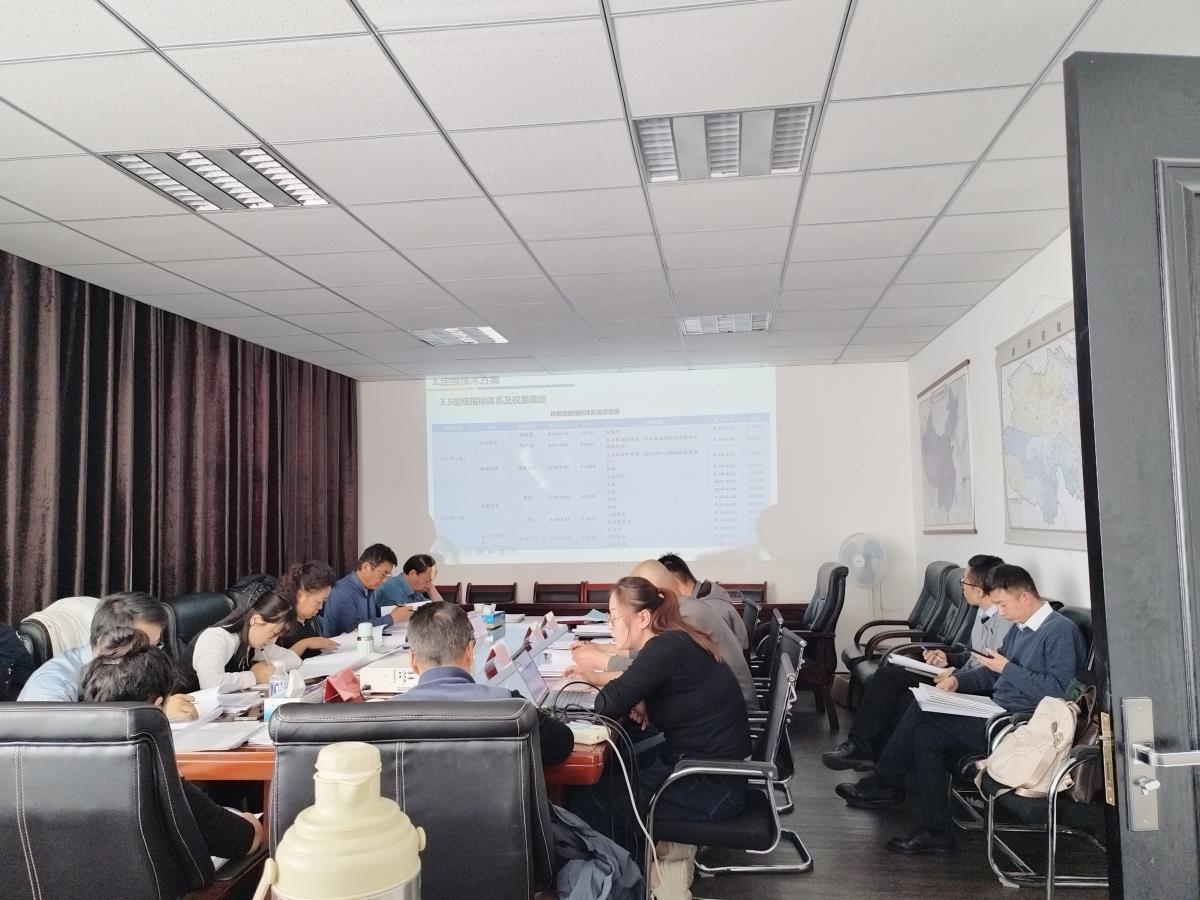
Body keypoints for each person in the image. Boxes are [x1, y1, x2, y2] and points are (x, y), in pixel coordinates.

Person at [836, 564, 1086, 857]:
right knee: (925, 729)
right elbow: (992, 672)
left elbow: (1058, 692)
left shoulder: (1060, 631)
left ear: (1025, 597)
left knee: (923, 720)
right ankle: (934, 829)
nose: (1001, 613)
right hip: (996, 709)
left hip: (1019, 725)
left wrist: (1006, 668)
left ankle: (886, 786)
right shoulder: (1022, 627)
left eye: (1003, 605)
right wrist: (957, 681)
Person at [566, 577, 751, 896]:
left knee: (591, 799)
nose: (610, 625)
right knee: (612, 774)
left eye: (614, 616)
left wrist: (633, 696)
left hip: (711, 785)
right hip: (708, 771)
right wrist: (645, 700)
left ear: (642, 618)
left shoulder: (663, 648)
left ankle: (622, 884)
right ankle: (638, 866)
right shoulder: (674, 639)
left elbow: (606, 703)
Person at [80, 627, 264, 861]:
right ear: (158, 705)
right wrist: (251, 822)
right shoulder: (155, 776)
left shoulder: (51, 767)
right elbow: (244, 840)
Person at [822, 554, 1009, 771]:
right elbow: (974, 657)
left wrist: (956, 676)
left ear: (979, 591)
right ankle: (861, 749)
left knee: (902, 695)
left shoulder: (1005, 621)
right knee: (888, 675)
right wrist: (946, 658)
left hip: (972, 687)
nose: (961, 587)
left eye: (964, 582)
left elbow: (992, 672)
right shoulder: (981, 612)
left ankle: (872, 757)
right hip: (957, 675)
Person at [397, 601, 574, 765]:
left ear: (412, 659)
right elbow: (561, 743)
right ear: (469, 651)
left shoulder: (386, 714)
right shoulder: (511, 705)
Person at [569, 560, 757, 710]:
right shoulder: (681, 610)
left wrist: (600, 666)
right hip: (711, 718)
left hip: (731, 720)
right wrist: (602, 650)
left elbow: (649, 668)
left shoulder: (686, 618)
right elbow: (651, 663)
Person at [18, 591, 196, 720]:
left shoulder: (128, 673)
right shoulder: (52, 685)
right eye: (141, 647)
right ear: (105, 640)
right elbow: (58, 741)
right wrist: (152, 715)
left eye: (155, 645)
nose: (150, 655)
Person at [186, 589, 299, 692]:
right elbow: (210, 684)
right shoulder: (216, 638)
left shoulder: (255, 644)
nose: (273, 641)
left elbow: (294, 659)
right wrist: (255, 676)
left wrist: (268, 667)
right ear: (256, 620)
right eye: (273, 634)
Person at [657, 552, 748, 650]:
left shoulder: (706, 610)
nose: (661, 596)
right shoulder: (708, 595)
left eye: (660, 590)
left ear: (674, 582)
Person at [322, 544, 403, 636]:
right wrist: (391, 618)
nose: (384, 580)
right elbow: (351, 630)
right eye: (383, 574)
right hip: (344, 644)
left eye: (387, 576)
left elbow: (371, 620)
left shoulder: (369, 587)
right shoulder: (342, 591)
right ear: (366, 567)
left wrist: (394, 611)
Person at [275, 560, 340, 659]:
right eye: (318, 601)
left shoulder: (305, 619)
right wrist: (306, 643)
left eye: (323, 602)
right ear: (300, 595)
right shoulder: (279, 622)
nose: (320, 607)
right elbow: (277, 662)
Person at [374, 553, 444, 621]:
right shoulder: (391, 589)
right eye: (427, 581)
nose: (428, 585)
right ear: (413, 574)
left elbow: (441, 611)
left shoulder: (415, 589)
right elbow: (395, 623)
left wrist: (430, 585)